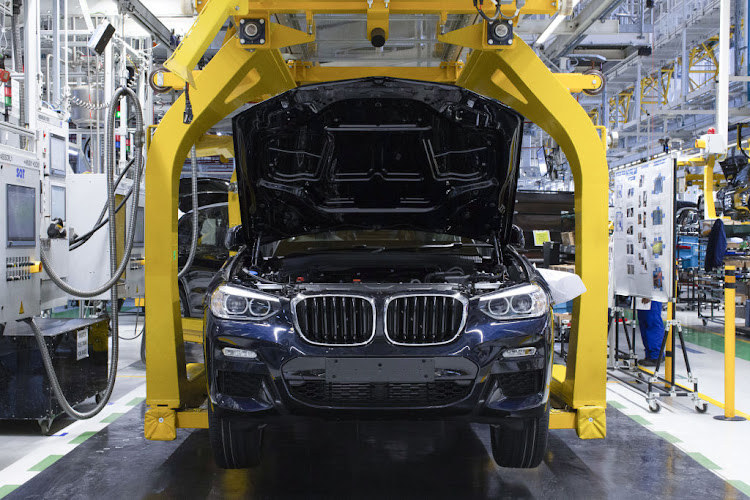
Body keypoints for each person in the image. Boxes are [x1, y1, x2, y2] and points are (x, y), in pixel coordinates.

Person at [637, 298, 665, 366]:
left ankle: (656, 356)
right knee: (644, 323)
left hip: (652, 296)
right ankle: (649, 355)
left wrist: (650, 295)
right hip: (640, 293)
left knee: (652, 322)